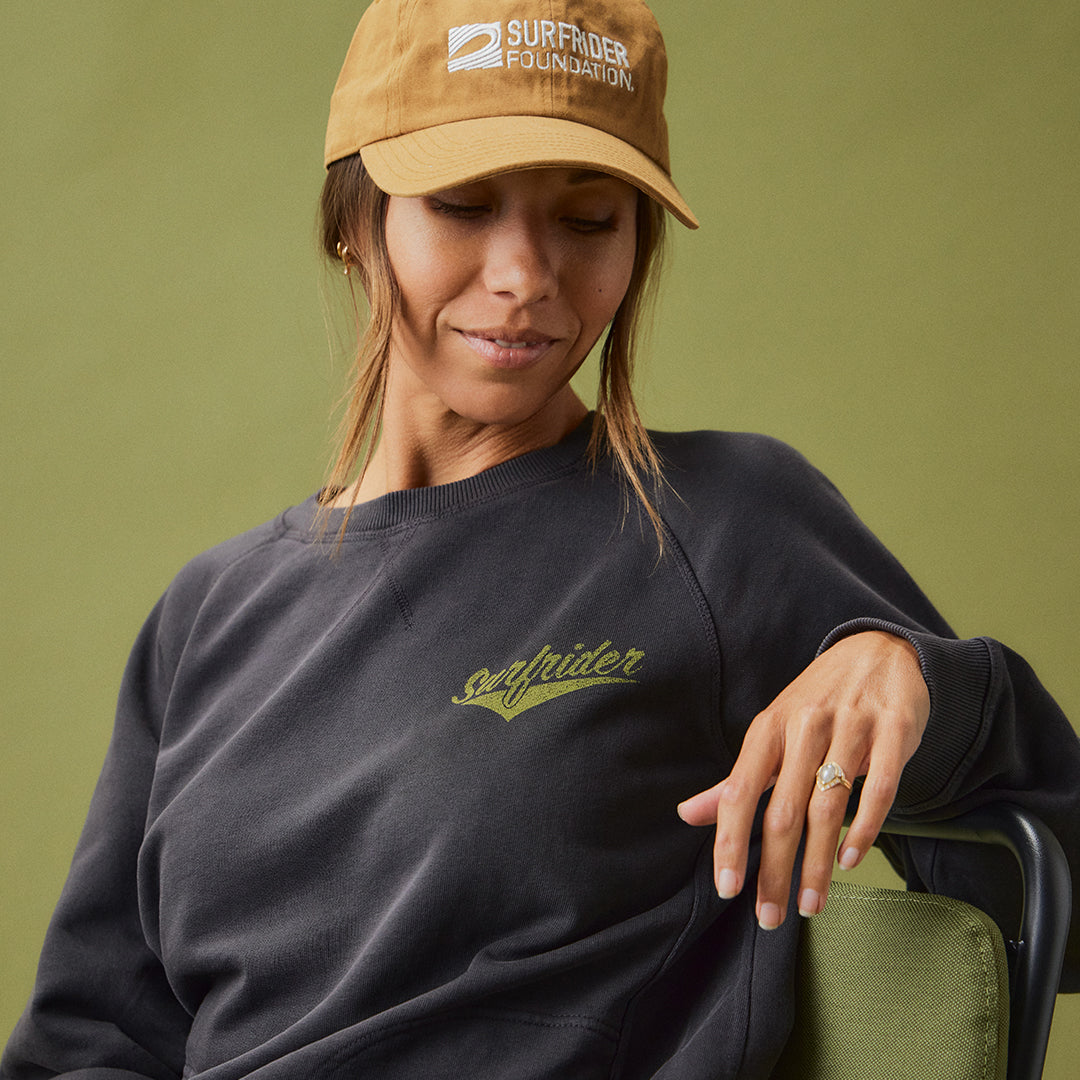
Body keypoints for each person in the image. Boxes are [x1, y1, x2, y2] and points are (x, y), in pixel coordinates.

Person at [3, 0, 1078, 1077]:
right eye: (463, 205)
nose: (525, 275)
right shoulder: (209, 614)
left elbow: (1058, 899)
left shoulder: (716, 524)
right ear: (352, 223)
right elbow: (91, 1040)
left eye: (589, 218)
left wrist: (924, 684)